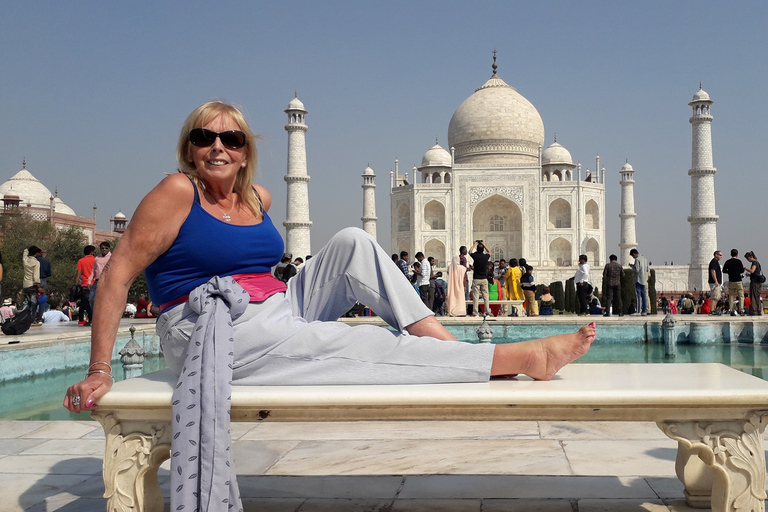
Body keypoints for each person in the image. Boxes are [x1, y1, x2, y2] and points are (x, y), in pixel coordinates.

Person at [63, 100, 596, 512]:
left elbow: (276, 269)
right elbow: (117, 277)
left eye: (231, 138)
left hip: (274, 308)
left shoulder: (258, 198)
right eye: (205, 137)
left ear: (246, 149)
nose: (218, 147)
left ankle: (447, 349)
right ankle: (519, 359)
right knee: (362, 343)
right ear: (189, 148)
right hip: (214, 327)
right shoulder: (177, 191)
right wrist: (99, 369)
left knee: (353, 243)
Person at [89, 241, 113, 318]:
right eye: (102, 248)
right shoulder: (97, 258)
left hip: (107, 281)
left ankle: (105, 316)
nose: (104, 250)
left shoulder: (112, 258)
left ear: (109, 249)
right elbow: (93, 270)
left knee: (106, 300)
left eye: (106, 248)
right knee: (91, 299)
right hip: (97, 281)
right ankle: (96, 316)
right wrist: (89, 281)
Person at [74, 245, 96, 325]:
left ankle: (81, 319)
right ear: (92, 252)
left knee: (84, 302)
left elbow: (78, 274)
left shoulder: (81, 261)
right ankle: (91, 318)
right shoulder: (95, 260)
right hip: (94, 284)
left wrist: (76, 284)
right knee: (90, 303)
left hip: (84, 284)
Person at [469, 241, 491, 316]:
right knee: (486, 296)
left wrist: (474, 244)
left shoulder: (475, 256)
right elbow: (490, 251)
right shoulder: (485, 257)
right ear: (483, 250)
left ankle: (475, 312)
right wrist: (484, 244)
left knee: (476, 296)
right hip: (484, 279)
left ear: (477, 249)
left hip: (476, 279)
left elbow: (470, 251)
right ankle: (487, 312)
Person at [722, 249, 745, 316]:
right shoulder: (739, 261)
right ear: (737, 254)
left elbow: (724, 270)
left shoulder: (728, 262)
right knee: (741, 296)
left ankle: (731, 310)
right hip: (738, 281)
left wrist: (730, 271)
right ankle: (741, 310)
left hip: (731, 281)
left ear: (731, 254)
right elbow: (742, 271)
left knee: (731, 296)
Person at [629, 249, 649, 316]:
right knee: (644, 296)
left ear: (634, 254)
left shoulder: (637, 260)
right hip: (643, 279)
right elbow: (647, 269)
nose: (633, 257)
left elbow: (637, 270)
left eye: (632, 256)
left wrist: (632, 266)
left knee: (638, 296)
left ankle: (638, 311)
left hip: (638, 279)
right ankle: (644, 311)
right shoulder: (645, 259)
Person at [744, 251, 764, 316]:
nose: (748, 260)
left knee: (753, 296)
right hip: (758, 282)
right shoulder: (757, 263)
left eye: (748, 258)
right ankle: (758, 310)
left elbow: (752, 271)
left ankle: (754, 311)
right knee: (757, 296)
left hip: (755, 282)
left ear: (751, 257)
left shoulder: (754, 263)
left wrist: (746, 269)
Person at [22, 246, 42, 312]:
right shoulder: (36, 263)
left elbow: (25, 253)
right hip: (32, 285)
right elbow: (36, 277)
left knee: (29, 302)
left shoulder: (25, 260)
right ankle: (31, 319)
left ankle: (27, 318)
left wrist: (27, 249)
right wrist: (39, 286)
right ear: (36, 253)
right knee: (34, 303)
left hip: (25, 284)